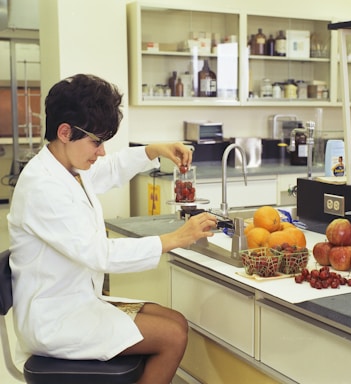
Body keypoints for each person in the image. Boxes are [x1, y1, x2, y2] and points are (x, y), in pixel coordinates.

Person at [7, 74, 218, 384]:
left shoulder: (67, 168)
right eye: (96, 141)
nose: (101, 151)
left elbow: (109, 169)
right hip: (54, 319)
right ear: (65, 132)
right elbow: (98, 254)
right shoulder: (43, 186)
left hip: (76, 300)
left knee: (174, 320)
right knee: (172, 336)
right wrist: (174, 239)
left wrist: (154, 150)